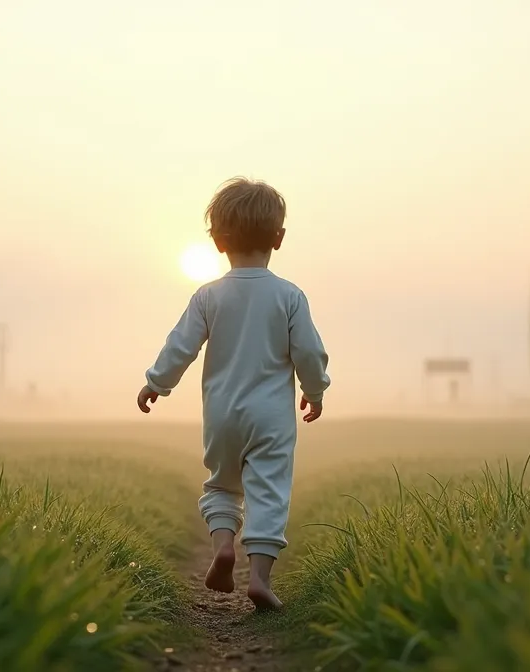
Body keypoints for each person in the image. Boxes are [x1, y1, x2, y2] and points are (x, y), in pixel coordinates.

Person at [136, 176, 331, 611]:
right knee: (268, 490)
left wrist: (156, 382)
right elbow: (309, 352)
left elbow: (180, 345)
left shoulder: (208, 296)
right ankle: (259, 578)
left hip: (222, 414)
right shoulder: (289, 296)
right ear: (278, 238)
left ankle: (223, 544)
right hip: (272, 419)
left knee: (222, 485)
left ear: (218, 241)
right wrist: (315, 390)